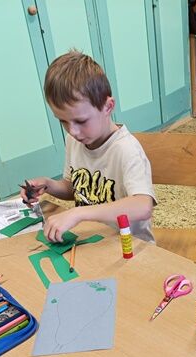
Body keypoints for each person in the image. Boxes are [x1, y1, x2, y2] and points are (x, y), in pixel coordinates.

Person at [21, 50, 156, 243]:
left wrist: (79, 213)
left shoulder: (126, 150)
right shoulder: (74, 140)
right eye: (63, 121)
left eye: (81, 121)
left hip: (129, 245)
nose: (73, 131)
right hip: (90, 239)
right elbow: (75, 189)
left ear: (108, 107)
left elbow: (143, 206)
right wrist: (48, 184)